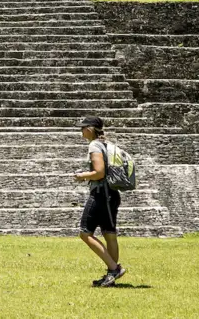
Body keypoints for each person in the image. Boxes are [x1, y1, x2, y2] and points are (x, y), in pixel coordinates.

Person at [74, 115, 126, 287]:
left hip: (101, 194)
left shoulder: (94, 145)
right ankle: (111, 276)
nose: (81, 131)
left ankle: (114, 268)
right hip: (112, 194)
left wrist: (82, 176)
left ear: (90, 129)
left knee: (85, 233)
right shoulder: (107, 144)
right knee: (109, 234)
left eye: (83, 128)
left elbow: (99, 172)